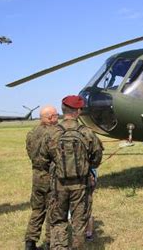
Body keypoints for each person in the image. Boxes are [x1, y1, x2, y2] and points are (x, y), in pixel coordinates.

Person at [45, 95, 104, 249]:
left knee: (58, 222)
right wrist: (86, 165)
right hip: (81, 185)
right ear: (78, 111)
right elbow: (97, 157)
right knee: (79, 224)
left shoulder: (52, 132)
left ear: (63, 110)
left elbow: (44, 157)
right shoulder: (87, 132)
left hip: (58, 185)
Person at [24, 105, 59, 250]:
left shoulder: (31, 133)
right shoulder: (54, 134)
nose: (58, 118)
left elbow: (29, 152)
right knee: (53, 212)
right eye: (56, 115)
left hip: (37, 177)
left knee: (37, 211)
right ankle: (50, 243)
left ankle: (30, 243)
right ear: (50, 117)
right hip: (50, 177)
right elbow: (57, 157)